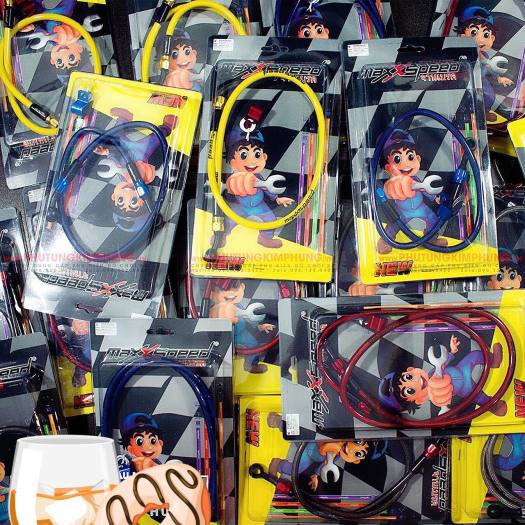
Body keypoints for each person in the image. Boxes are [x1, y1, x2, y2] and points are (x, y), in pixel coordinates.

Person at [212, 105, 294, 249]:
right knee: (229, 221)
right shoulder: (235, 177)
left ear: (264, 157)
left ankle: (265, 238)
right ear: (232, 160)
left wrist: (277, 199)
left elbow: (266, 187)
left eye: (257, 155)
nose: (252, 161)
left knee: (271, 220)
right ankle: (220, 236)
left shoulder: (258, 176)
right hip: (240, 207)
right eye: (244, 155)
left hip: (259, 206)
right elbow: (230, 185)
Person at [379, 335, 507, 416]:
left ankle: (493, 361)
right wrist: (445, 409)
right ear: (418, 400)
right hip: (465, 388)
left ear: (411, 369)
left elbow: (443, 363)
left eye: (409, 377)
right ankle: (494, 407)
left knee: (476, 355)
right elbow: (443, 404)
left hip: (462, 368)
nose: (416, 382)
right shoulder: (435, 397)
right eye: (410, 390)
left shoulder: (432, 372)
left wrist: (452, 351)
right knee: (479, 397)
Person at [377, 129, 445, 254]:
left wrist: (434, 197)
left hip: (421, 208)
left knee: (433, 220)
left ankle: (431, 239)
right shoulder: (393, 183)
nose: (406, 164)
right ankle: (385, 241)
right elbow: (388, 193)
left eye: (410, 157)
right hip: (402, 211)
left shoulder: (416, 180)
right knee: (394, 225)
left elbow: (424, 189)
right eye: (398, 159)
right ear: (388, 167)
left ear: (418, 158)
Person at [456, 6, 513, 121]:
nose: (480, 40)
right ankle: (466, 114)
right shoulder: (462, 54)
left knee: (489, 96)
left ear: (492, 38)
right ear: (462, 35)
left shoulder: (485, 56)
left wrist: (499, 79)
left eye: (486, 35)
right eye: (474, 33)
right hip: (466, 82)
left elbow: (489, 68)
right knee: (466, 98)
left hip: (482, 81)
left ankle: (484, 112)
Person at [209, 279, 275, 374]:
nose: (230, 292)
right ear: (212, 294)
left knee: (253, 344)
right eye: (221, 290)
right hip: (224, 336)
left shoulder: (238, 306)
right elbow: (212, 325)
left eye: (235, 286)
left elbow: (249, 318)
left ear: (242, 287)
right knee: (220, 350)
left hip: (241, 333)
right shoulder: (214, 309)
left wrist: (260, 326)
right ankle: (219, 366)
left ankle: (250, 365)